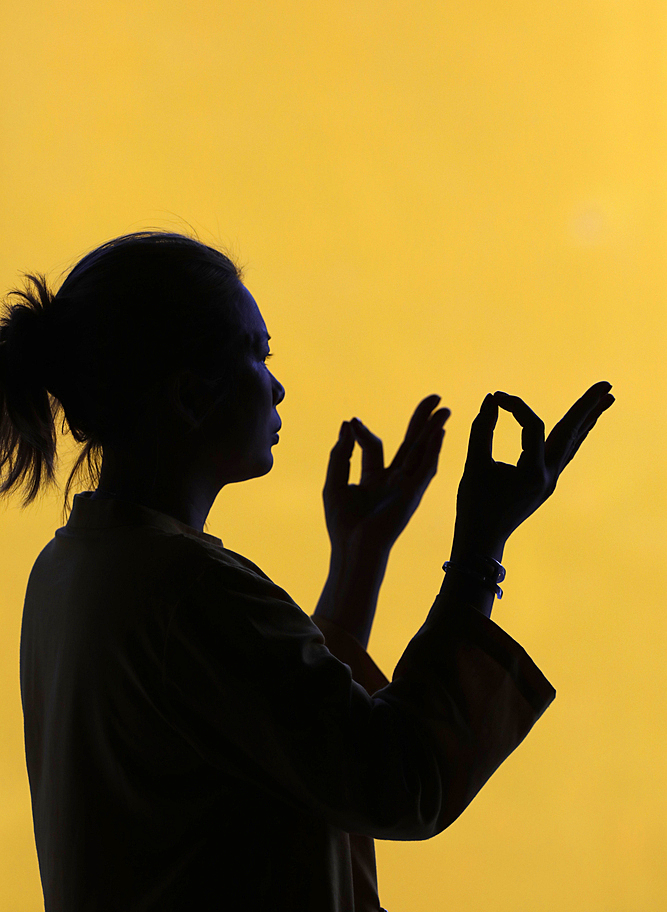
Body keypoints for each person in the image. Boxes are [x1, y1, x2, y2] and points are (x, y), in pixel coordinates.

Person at [2, 231, 615, 912]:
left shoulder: (69, 569)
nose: (277, 384)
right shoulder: (190, 590)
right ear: (187, 397)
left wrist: (359, 555)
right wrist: (479, 548)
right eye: (258, 356)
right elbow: (396, 780)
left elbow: (288, 733)